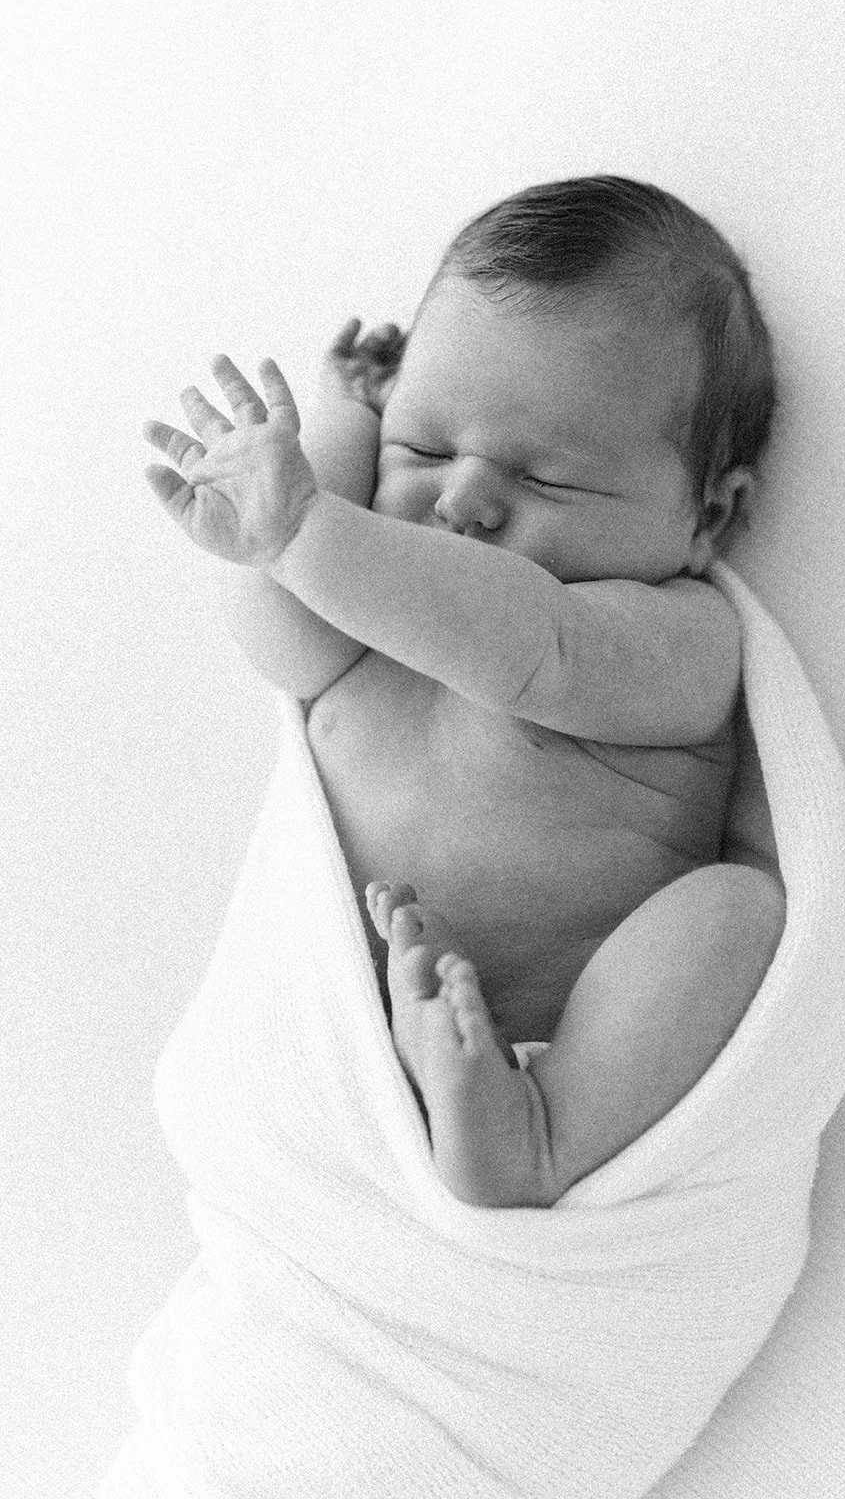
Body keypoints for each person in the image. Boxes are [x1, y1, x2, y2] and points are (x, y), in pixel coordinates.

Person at [144, 175, 786, 1209]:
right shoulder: (371, 602)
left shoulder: (673, 636)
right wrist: (337, 434)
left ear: (711, 514)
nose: (466, 497)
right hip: (326, 1066)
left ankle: (542, 1129)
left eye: (551, 480)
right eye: (424, 447)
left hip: (547, 1045)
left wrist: (312, 531)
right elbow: (277, 630)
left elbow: (523, 645)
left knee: (737, 911)